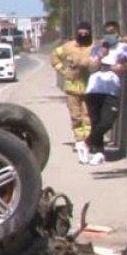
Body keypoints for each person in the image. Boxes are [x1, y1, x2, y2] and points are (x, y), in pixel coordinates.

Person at [84, 20, 127, 166]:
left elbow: (122, 68)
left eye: (112, 32)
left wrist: (106, 67)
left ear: (118, 33)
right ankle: (98, 153)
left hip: (111, 90)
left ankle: (87, 142)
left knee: (107, 121)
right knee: (95, 122)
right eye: (107, 33)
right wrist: (101, 55)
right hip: (94, 89)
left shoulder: (123, 47)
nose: (110, 35)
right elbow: (92, 67)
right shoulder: (97, 48)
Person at [51, 21, 95, 163]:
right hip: (72, 88)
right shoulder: (68, 47)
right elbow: (54, 57)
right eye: (81, 31)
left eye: (86, 31)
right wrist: (63, 71)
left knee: (88, 116)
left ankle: (87, 141)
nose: (83, 33)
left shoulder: (94, 46)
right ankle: (79, 141)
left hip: (89, 88)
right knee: (76, 117)